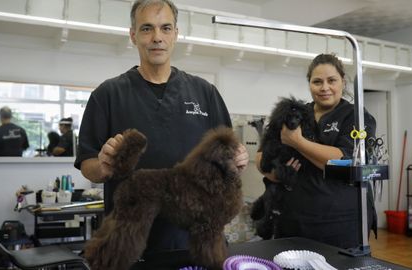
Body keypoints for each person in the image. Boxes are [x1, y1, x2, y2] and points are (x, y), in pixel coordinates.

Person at [74, 0, 249, 258]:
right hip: (131, 245)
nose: (157, 37)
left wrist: (238, 161)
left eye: (165, 28)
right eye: (147, 28)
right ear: (133, 35)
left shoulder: (205, 93)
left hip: (196, 243)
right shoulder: (107, 95)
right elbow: (88, 164)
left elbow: (228, 155)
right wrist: (103, 165)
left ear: (175, 34)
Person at [255, 53, 377, 249]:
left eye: (332, 80)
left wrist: (298, 143)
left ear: (343, 82)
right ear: (309, 83)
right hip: (293, 219)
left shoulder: (357, 117)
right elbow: (262, 156)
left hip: (340, 223)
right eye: (317, 81)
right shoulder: (293, 112)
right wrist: (275, 173)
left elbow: (344, 162)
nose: (324, 88)